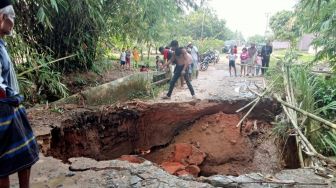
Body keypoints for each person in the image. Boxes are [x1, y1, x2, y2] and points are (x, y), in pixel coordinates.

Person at [0, 1, 39, 187]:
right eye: (12, 16)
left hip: (9, 106)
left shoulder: (1, 44)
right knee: (6, 163)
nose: (14, 21)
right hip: (5, 109)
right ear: (1, 18)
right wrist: (11, 100)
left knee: (24, 152)